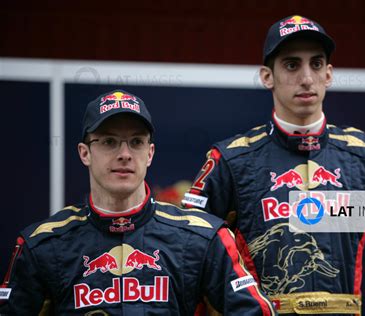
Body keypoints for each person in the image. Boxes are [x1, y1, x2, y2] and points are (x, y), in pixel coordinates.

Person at [182, 15, 365, 316]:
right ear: (267, 76)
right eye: (292, 65)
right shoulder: (231, 159)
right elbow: (190, 259)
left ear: (328, 74)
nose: (306, 78)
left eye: (316, 64)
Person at [0, 90, 275, 315]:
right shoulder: (43, 245)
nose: (124, 154)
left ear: (150, 153)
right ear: (85, 153)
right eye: (109, 142)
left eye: (136, 142)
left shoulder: (202, 238)